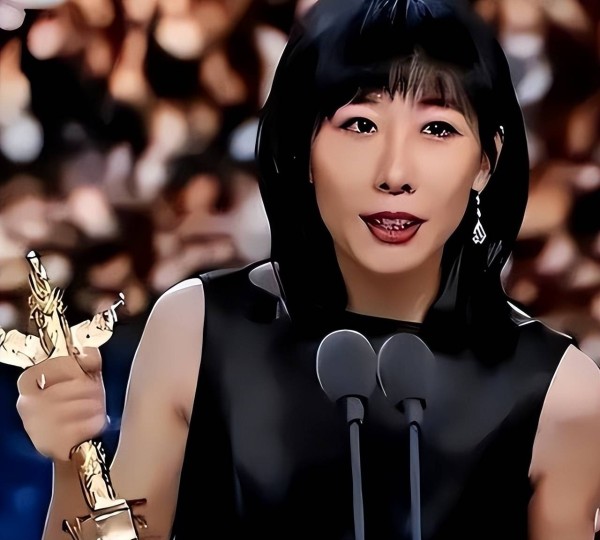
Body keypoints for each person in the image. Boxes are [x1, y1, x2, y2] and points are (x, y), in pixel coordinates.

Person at [15, 0, 600, 539]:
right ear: (304, 148)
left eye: (437, 129)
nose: (395, 173)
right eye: (360, 125)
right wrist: (72, 460)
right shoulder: (195, 330)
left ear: (486, 163)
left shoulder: (561, 394)